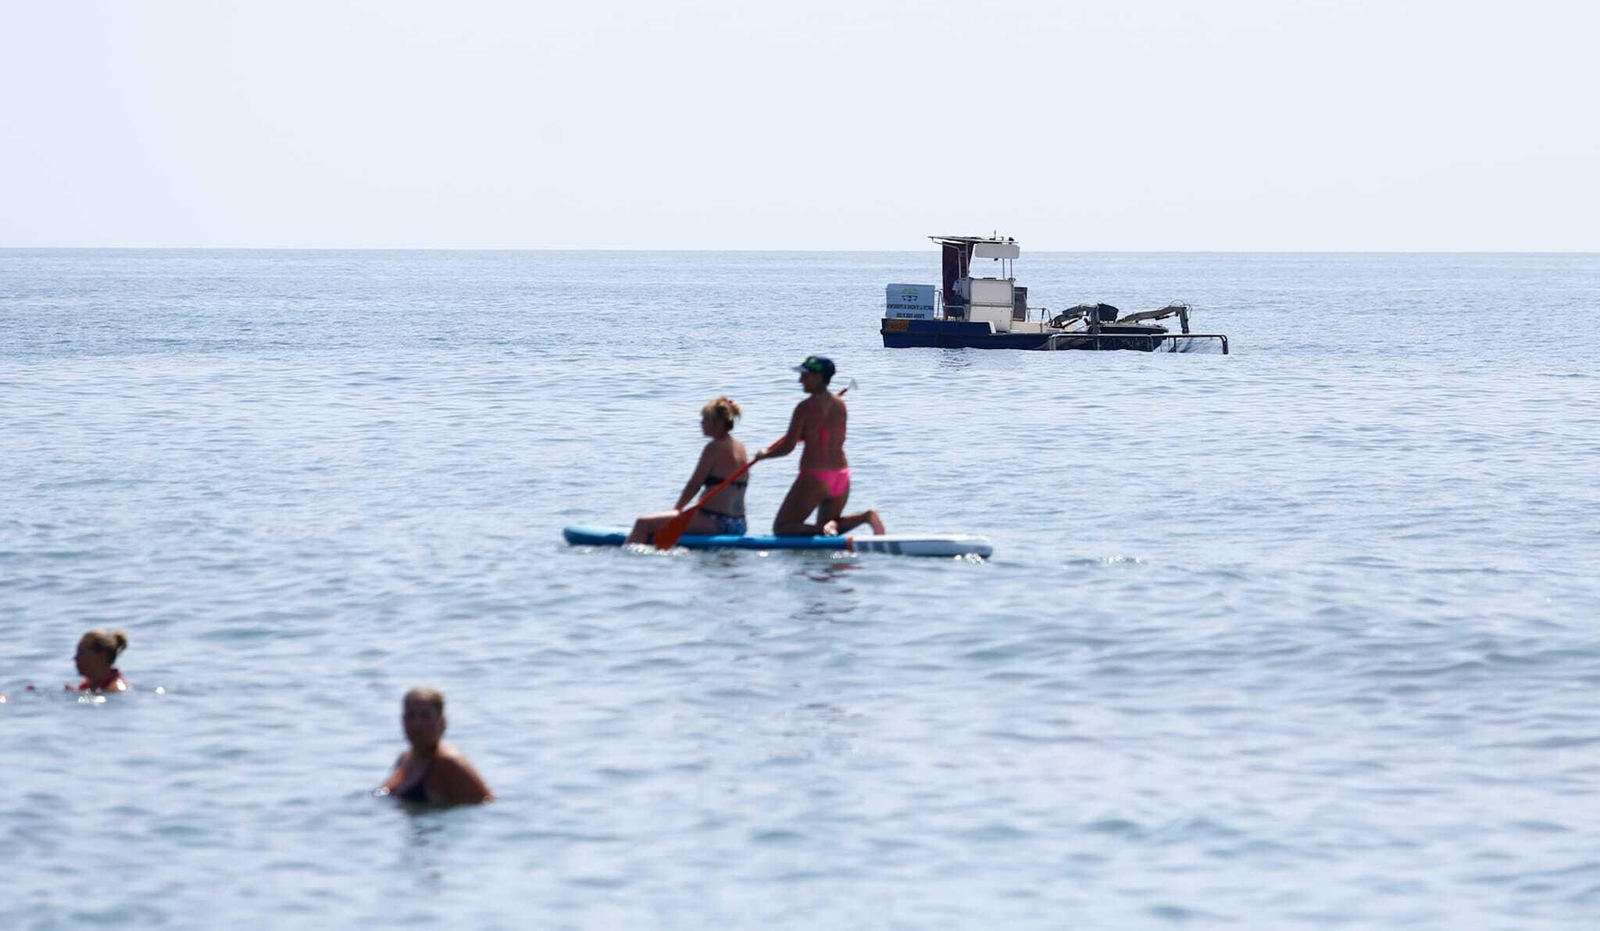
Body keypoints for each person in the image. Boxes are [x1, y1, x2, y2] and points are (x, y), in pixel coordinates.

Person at [753, 356, 885, 537]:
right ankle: (865, 517)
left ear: (818, 376)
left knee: (782, 527)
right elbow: (828, 435)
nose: (800, 380)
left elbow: (787, 447)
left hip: (815, 476)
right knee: (829, 531)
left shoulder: (804, 408)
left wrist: (765, 454)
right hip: (842, 475)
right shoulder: (841, 405)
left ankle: (822, 528)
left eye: (805, 375)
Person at [626, 396, 751, 544]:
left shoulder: (713, 447)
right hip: (739, 524)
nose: (701, 423)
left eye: (705, 419)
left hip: (716, 521)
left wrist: (677, 511)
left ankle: (628, 562)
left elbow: (694, 485)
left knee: (643, 524)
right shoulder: (740, 446)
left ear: (717, 423)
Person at [378, 687, 495, 805]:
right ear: (403, 720)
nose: (417, 723)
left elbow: (486, 802)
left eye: (425, 716)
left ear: (441, 722)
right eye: (410, 715)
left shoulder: (447, 761)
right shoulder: (405, 758)